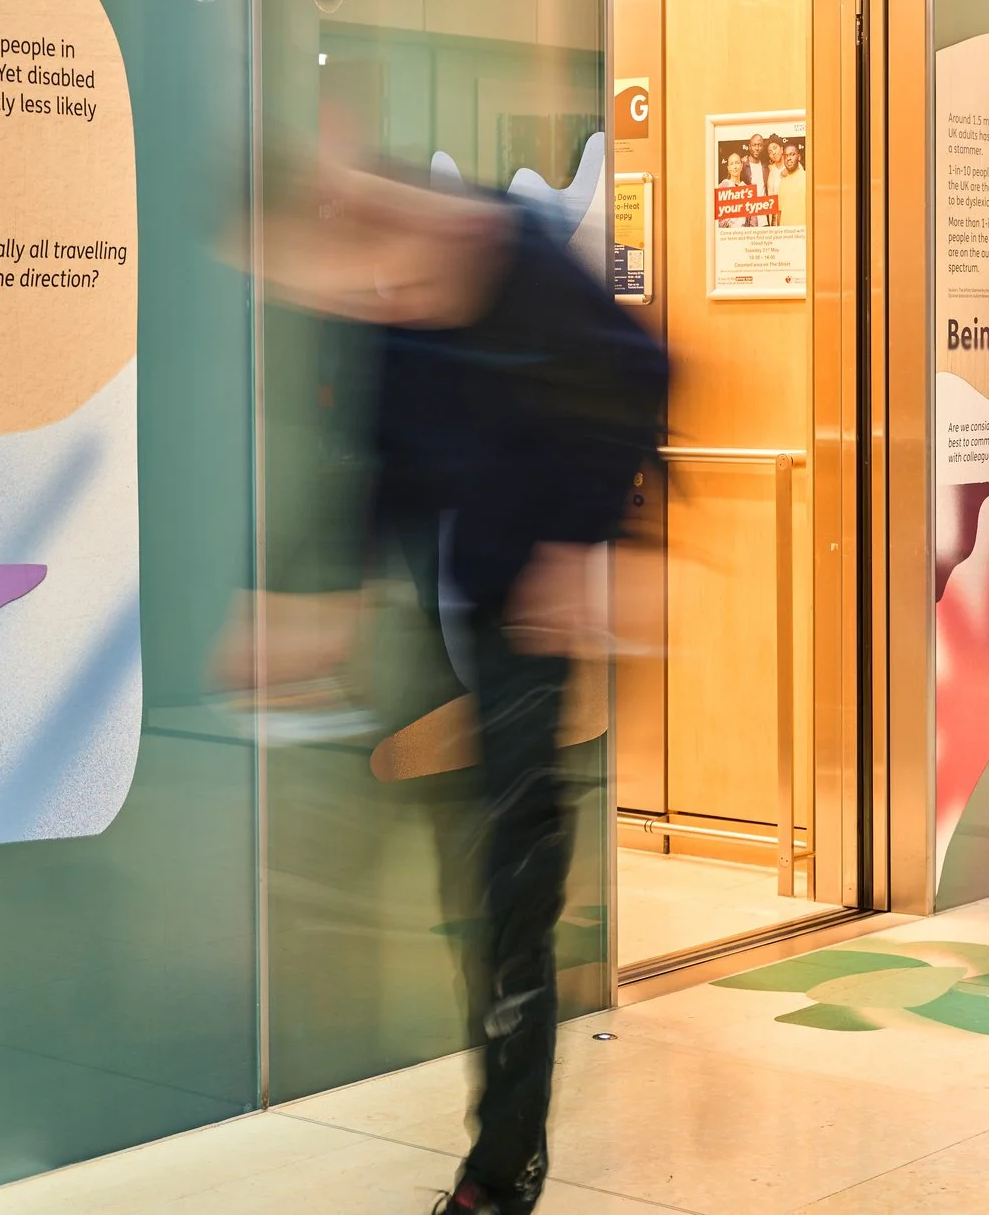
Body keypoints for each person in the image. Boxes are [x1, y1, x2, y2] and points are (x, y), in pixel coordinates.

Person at [248, 150, 669, 1215]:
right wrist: (324, 598)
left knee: (510, 894)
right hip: (440, 615)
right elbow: (379, 455)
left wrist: (582, 541)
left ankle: (501, 1166)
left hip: (523, 617)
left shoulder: (514, 256)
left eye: (318, 269)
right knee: (452, 866)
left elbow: (644, 372)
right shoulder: (389, 304)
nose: (332, 295)